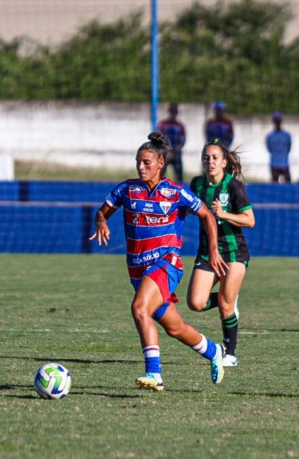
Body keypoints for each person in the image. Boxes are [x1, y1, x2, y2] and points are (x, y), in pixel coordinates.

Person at [90, 131, 227, 391]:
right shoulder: (127, 189)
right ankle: (213, 351)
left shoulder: (176, 192)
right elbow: (102, 211)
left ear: (160, 164)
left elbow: (207, 216)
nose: (141, 167)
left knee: (140, 308)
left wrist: (214, 251)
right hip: (138, 270)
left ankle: (155, 374)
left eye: (146, 162)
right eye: (138, 162)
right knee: (174, 328)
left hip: (167, 264)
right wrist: (101, 221)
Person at [187, 139, 255, 368]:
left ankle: (231, 353)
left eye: (215, 157)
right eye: (206, 157)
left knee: (226, 305)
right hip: (207, 252)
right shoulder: (196, 184)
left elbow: (250, 220)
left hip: (234, 251)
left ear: (224, 162)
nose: (210, 162)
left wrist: (224, 214)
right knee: (195, 303)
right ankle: (229, 295)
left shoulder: (233, 186)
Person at [156, 102, 187, 182]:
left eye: (174, 111)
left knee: (179, 178)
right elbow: (159, 138)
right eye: (172, 111)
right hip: (165, 155)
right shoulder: (162, 124)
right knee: (159, 177)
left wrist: (175, 151)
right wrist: (166, 151)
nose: (173, 113)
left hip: (176, 155)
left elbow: (182, 140)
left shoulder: (180, 126)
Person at [266, 111, 292, 183]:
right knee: (288, 186)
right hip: (283, 164)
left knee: (275, 187)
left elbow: (269, 148)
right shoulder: (286, 135)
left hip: (275, 164)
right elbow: (289, 148)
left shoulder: (270, 136)